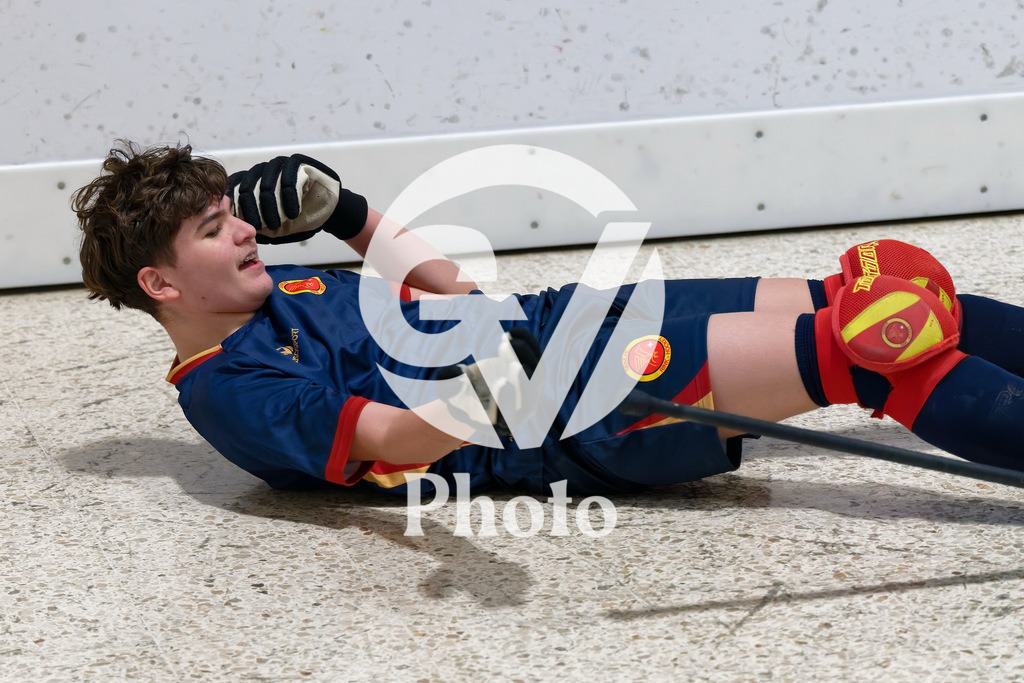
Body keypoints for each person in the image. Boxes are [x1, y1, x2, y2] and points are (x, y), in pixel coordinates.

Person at [72, 141, 1024, 498]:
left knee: (865, 299)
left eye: (229, 210)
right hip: (566, 411)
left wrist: (349, 213)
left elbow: (447, 294)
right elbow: (397, 443)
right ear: (162, 284)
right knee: (864, 353)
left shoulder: (282, 290)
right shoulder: (231, 393)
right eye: (212, 227)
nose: (243, 226)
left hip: (566, 322)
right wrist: (483, 390)